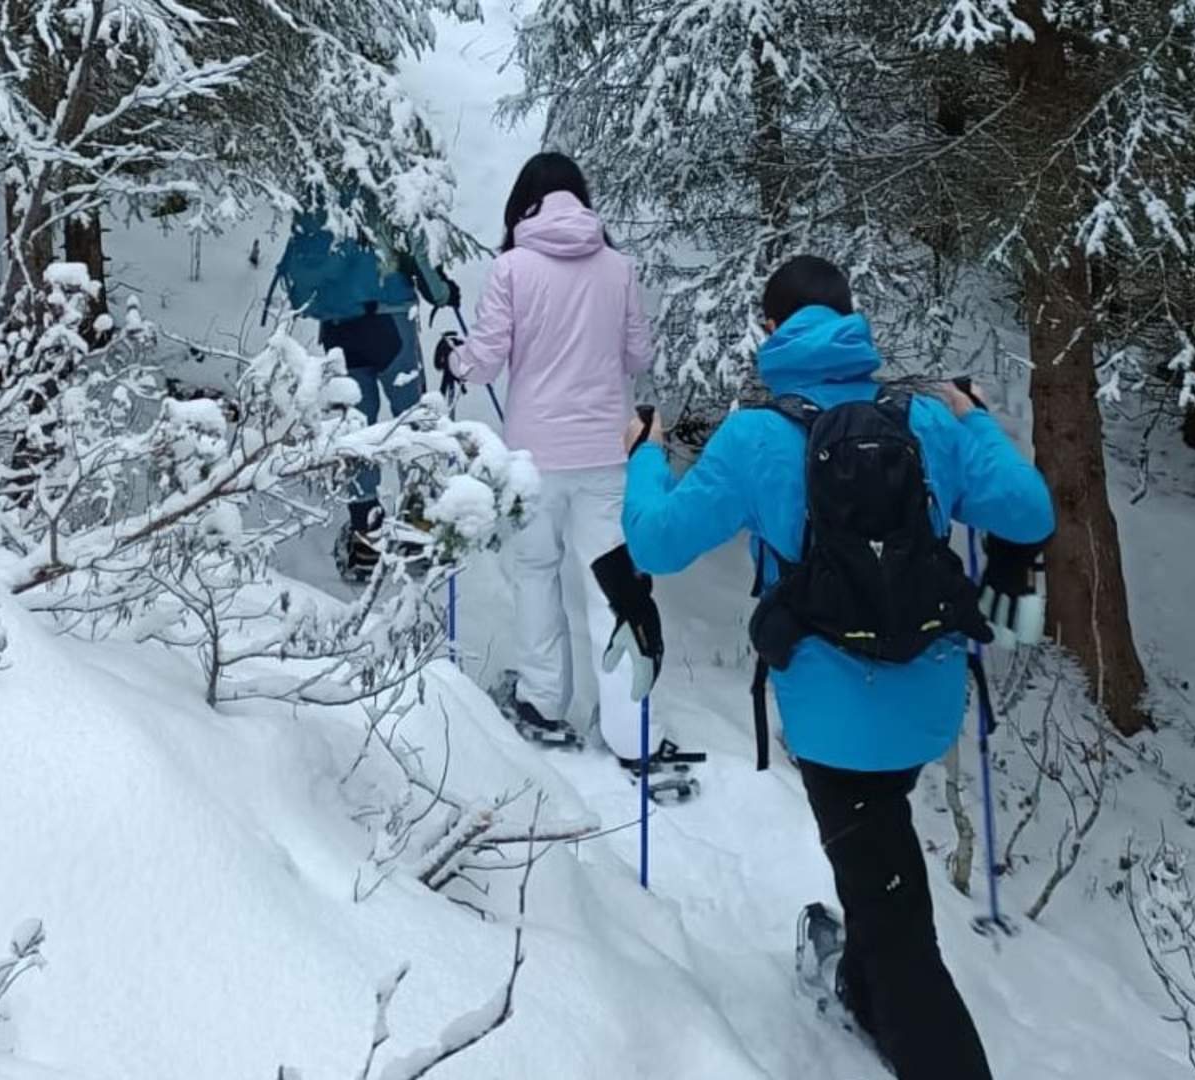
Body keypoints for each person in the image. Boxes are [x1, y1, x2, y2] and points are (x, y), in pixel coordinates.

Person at [618, 255, 1056, 1079]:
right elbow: (1030, 511)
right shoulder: (924, 420)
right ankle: (862, 983)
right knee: (878, 858)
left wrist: (644, 455)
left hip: (832, 718)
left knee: (901, 932)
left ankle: (896, 1001)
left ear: (771, 329)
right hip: (928, 698)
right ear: (852, 321)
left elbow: (655, 543)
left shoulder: (753, 436)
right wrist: (974, 421)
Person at [437, 152, 665, 767]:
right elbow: (639, 356)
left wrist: (453, 356)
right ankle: (632, 732)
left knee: (536, 573)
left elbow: (483, 362)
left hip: (535, 457)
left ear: (523, 204)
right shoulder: (619, 267)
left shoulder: (512, 267)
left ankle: (541, 700)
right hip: (607, 453)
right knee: (614, 585)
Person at [274, 196, 459, 579]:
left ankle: (366, 539)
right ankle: (419, 530)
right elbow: (419, 258)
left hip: (338, 331)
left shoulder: (317, 197)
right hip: (390, 324)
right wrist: (443, 293)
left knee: (354, 429)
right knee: (413, 420)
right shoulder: (385, 191)